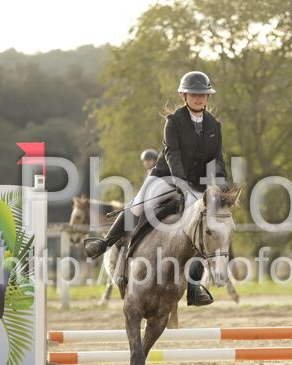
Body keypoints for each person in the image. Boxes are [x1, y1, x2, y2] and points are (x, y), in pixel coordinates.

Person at [85, 71, 228, 306]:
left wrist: (222, 187)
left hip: (196, 184)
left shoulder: (214, 125)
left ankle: (194, 287)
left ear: (207, 97)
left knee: (203, 226)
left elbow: (217, 160)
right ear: (184, 96)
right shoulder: (174, 121)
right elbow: (172, 154)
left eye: (202, 94)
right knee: (138, 205)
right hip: (165, 176)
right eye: (194, 94)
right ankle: (106, 242)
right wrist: (180, 182)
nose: (198, 98)